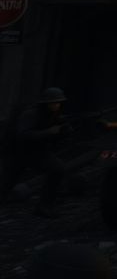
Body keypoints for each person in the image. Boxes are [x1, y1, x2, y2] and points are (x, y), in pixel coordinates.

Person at [0, 87, 71, 217]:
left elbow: (56, 136)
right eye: (53, 102)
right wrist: (49, 132)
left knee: (58, 169)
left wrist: (64, 132)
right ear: (45, 103)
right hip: (17, 153)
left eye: (59, 102)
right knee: (6, 183)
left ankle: (44, 207)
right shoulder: (30, 114)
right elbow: (23, 135)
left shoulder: (54, 116)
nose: (57, 105)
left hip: (38, 152)